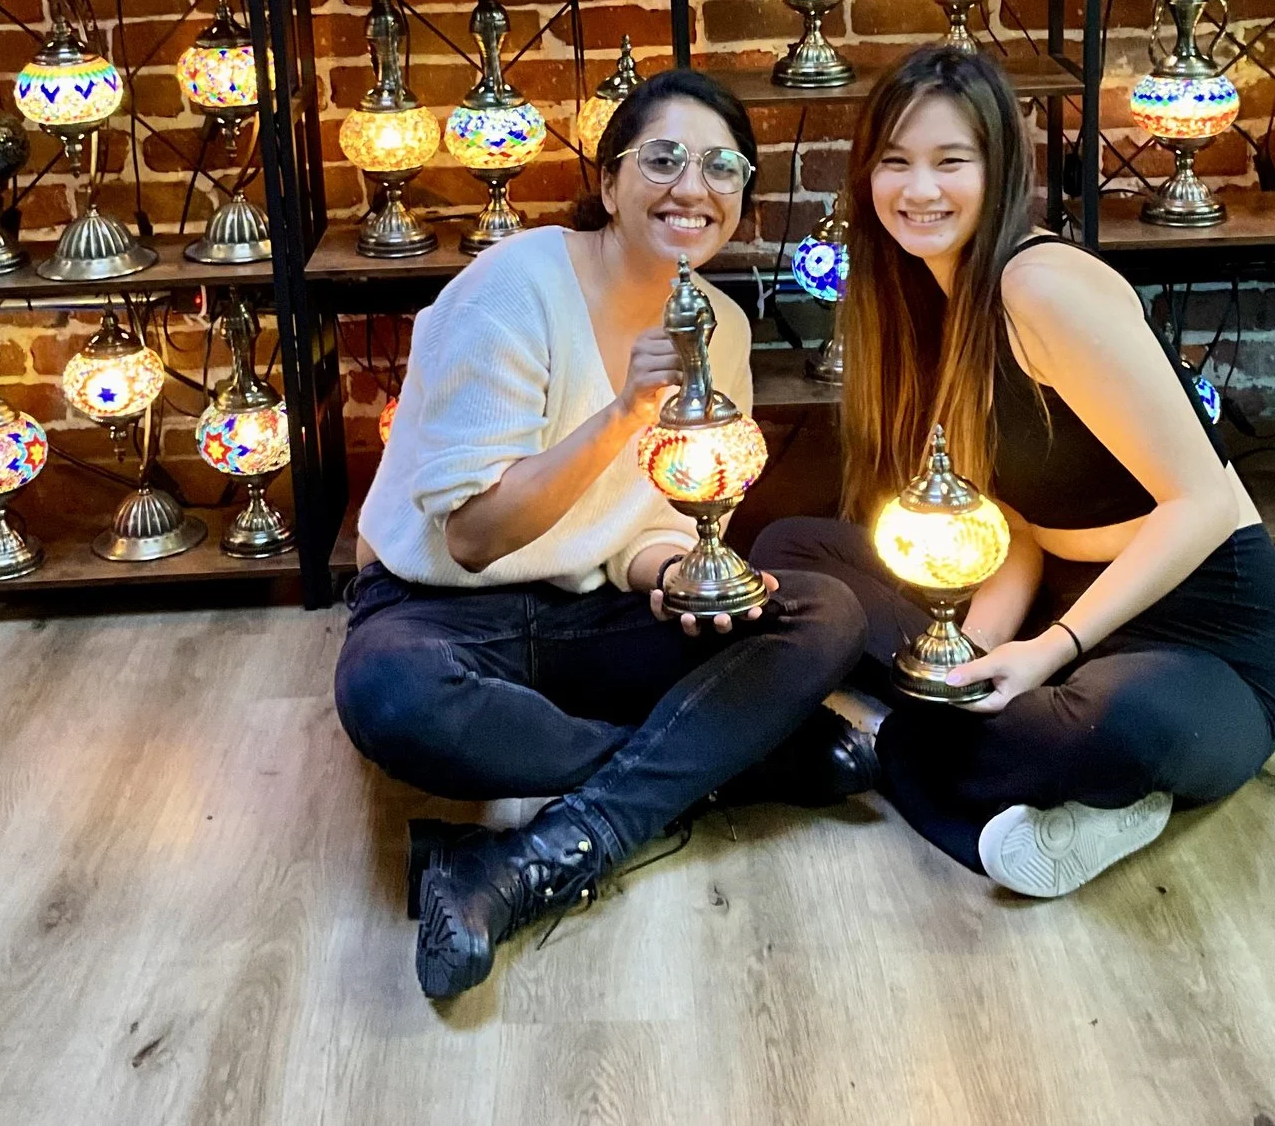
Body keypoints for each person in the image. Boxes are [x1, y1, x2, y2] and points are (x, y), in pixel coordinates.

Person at [335, 70, 872, 999]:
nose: (691, 187)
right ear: (612, 180)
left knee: (822, 609)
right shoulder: (516, 284)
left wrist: (677, 575)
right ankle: (716, 754)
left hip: (598, 611)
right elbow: (474, 534)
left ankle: (513, 858)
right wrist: (625, 409)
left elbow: (654, 527)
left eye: (721, 166)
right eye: (662, 158)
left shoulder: (724, 329)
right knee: (389, 693)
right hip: (445, 616)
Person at [756, 44, 1275, 897]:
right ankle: (981, 767)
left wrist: (1049, 650)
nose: (919, 189)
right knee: (794, 551)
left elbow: (1198, 504)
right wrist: (978, 649)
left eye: (949, 161)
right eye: (895, 161)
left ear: (998, 169)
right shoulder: (924, 301)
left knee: (1111, 727)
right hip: (1053, 610)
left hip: (1193, 634)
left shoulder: (1041, 286)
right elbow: (1008, 530)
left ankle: (916, 749)